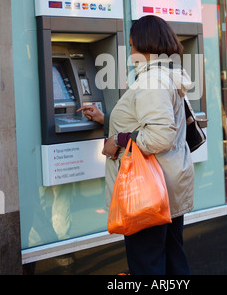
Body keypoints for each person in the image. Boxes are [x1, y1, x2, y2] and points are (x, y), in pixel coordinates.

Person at [78, 15, 194, 275]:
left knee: (147, 265)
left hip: (147, 192)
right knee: (173, 261)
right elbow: (152, 123)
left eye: (131, 46)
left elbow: (159, 137)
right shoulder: (166, 76)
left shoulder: (152, 82)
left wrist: (117, 141)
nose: (130, 53)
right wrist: (105, 119)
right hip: (167, 185)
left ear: (145, 45)